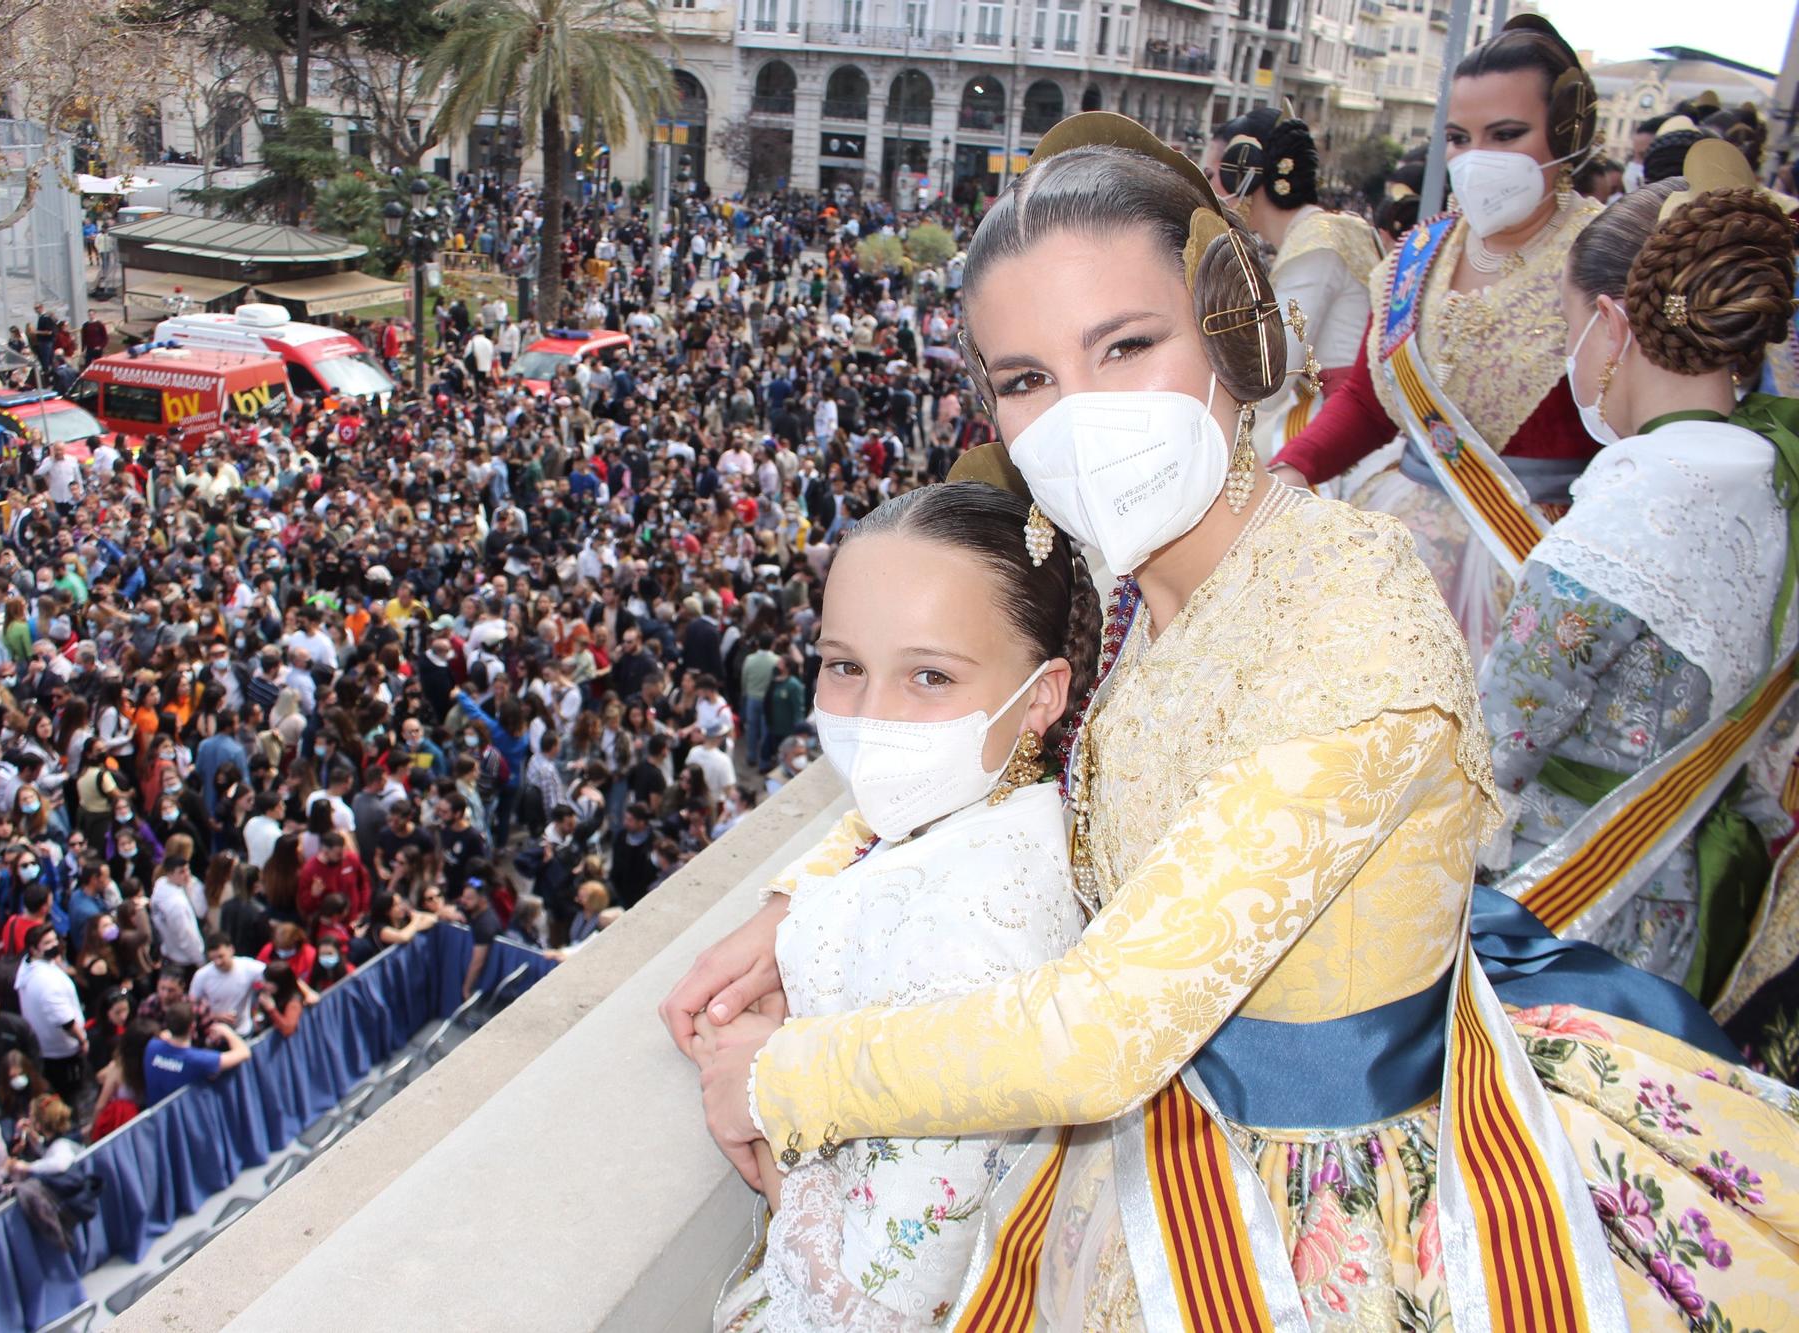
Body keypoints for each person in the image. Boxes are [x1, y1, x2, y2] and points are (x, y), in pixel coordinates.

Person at [670, 111, 1799, 1326]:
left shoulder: (1345, 620)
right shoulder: (1157, 578)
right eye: (1027, 379)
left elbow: (1098, 1035)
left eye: (1125, 346)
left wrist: (780, 1077)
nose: (1080, 415)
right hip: (1168, 1149)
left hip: (1312, 1208)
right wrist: (808, 892)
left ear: (1232, 332)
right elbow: (1022, 763)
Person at [709, 480, 1093, 1328]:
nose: (874, 713)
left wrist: (766, 1104)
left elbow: (876, 1303)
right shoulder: (993, 814)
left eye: (928, 675)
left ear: (1041, 694)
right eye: (845, 666)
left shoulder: (971, 925)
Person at [1478, 146, 1799, 1016]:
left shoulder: (1628, 513)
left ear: (1613, 326)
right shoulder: (1775, 473)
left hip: (1568, 902)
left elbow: (1495, 743)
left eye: (1569, 327)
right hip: (1700, 883)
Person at [1270, 16, 1607, 662]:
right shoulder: (1417, 254)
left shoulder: (1605, 256)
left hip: (1537, 563)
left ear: (1567, 131)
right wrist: (1295, 464)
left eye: (1505, 135)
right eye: (1458, 137)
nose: (1474, 158)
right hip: (1403, 545)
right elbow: (1372, 403)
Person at [1215, 111, 1383, 463]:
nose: (1212, 191)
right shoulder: (1332, 229)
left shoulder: (1316, 245)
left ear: (1244, 175)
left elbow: (1272, 381)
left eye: (1214, 176)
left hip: (1338, 423)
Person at [15, 925, 87, 1102]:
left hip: (44, 1046)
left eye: (55, 940)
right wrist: (82, 1040)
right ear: (33, 949)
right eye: (47, 943)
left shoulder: (28, 965)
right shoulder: (48, 982)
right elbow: (65, 1021)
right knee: (69, 1094)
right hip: (62, 1050)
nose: (54, 945)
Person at [142, 1006, 250, 1103]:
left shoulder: (152, 1046)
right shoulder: (198, 1060)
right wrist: (226, 1031)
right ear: (192, 1026)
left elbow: (164, 1035)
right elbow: (244, 1052)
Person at [189, 930, 266, 1037]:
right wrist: (213, 1015)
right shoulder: (202, 975)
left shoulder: (247, 967)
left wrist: (265, 995)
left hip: (242, 1031)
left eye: (221, 956)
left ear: (231, 950)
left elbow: (271, 976)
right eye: (213, 959)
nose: (218, 962)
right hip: (214, 1034)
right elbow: (192, 1004)